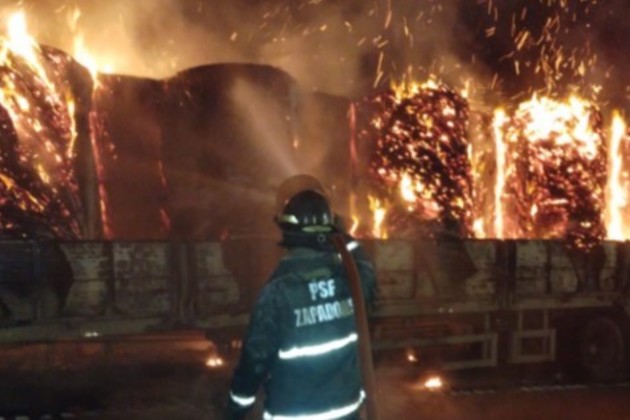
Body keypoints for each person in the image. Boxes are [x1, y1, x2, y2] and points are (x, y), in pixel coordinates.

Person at [225, 188, 376, 420]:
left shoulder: (276, 292)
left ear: (287, 232)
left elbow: (254, 361)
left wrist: (236, 408)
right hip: (346, 412)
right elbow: (366, 267)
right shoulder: (349, 282)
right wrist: (342, 236)